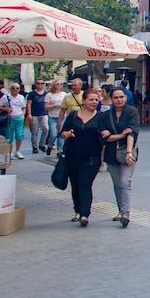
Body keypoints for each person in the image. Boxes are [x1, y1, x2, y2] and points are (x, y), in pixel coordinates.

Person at [59, 91, 104, 227]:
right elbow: (63, 132)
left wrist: (102, 161)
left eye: (96, 100)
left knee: (85, 185)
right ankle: (77, 211)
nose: (94, 102)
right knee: (75, 185)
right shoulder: (73, 115)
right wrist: (66, 134)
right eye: (91, 99)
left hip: (91, 158)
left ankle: (85, 214)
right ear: (83, 101)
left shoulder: (101, 117)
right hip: (72, 157)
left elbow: (104, 138)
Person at [100, 88, 139, 228]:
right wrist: (120, 135)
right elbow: (103, 137)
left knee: (125, 182)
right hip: (111, 154)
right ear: (111, 99)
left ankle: (125, 213)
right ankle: (121, 210)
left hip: (126, 152)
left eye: (121, 97)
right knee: (117, 184)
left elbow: (132, 132)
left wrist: (128, 152)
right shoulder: (105, 116)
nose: (119, 100)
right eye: (116, 97)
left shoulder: (131, 112)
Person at [0, 83, 27, 159]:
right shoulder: (6, 97)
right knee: (9, 137)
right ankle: (10, 152)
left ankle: (18, 151)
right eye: (13, 88)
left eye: (17, 88)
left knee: (19, 135)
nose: (15, 90)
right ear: (10, 89)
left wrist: (22, 116)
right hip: (9, 119)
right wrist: (6, 109)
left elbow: (24, 107)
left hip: (19, 118)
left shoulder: (21, 97)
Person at [25, 78, 50, 154]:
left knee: (46, 128)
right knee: (34, 131)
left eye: (42, 83)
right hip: (34, 114)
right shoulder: (32, 94)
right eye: (38, 83)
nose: (40, 85)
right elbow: (28, 104)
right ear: (35, 84)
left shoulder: (46, 94)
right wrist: (29, 114)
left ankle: (42, 144)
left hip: (44, 113)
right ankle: (34, 146)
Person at [45, 80, 65, 156]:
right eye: (57, 84)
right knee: (53, 134)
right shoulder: (49, 95)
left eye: (61, 84)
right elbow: (46, 106)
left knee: (61, 134)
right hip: (52, 117)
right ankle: (50, 145)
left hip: (62, 116)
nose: (59, 85)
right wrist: (54, 105)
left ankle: (59, 150)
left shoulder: (64, 94)